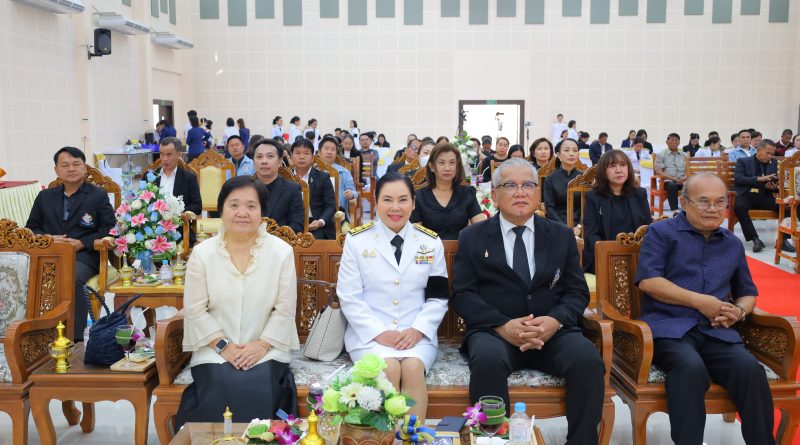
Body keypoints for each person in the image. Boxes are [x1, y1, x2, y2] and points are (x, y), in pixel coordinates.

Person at [452, 158, 604, 442]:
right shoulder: (472, 237)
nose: (520, 192)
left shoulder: (560, 235)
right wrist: (502, 325)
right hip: (495, 333)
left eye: (528, 185)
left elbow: (577, 291)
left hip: (552, 333)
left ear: (538, 193)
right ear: (494, 194)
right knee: (486, 361)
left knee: (587, 359)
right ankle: (493, 441)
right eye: (510, 185)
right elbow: (463, 294)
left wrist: (555, 321)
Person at [635, 173, 775, 445]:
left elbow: (747, 293)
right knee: (690, 368)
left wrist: (739, 312)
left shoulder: (732, 243)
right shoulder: (662, 233)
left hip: (717, 331)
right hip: (670, 328)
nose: (713, 208)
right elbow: (649, 281)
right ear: (684, 203)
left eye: (720, 202)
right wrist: (700, 301)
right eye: (704, 201)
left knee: (749, 370)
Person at [176, 176, 299, 428]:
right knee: (220, 383)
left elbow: (285, 309)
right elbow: (195, 310)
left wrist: (261, 345)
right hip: (213, 347)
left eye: (251, 206)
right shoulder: (202, 253)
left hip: (268, 347)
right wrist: (224, 346)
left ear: (262, 212)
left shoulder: (281, 252)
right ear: (221, 210)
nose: (242, 213)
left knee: (260, 384)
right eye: (234, 205)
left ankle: (263, 439)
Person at [337, 173, 449, 419]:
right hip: (369, 335)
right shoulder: (357, 241)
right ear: (376, 202)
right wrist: (378, 332)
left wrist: (418, 330)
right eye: (387, 200)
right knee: (388, 367)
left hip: (416, 335)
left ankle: (412, 434)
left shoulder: (430, 242)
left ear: (413, 203)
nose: (395, 207)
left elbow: (438, 297)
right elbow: (349, 296)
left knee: (412, 367)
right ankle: (386, 436)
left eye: (403, 200)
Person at [26, 147, 115, 340]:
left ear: (85, 168)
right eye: (65, 165)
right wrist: (49, 238)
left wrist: (82, 243)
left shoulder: (98, 195)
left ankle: (74, 338)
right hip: (49, 253)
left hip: (84, 256)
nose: (71, 169)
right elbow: (31, 228)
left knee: (71, 276)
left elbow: (109, 228)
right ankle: (35, 333)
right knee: (27, 275)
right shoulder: (45, 196)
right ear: (56, 170)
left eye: (76, 164)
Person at [582, 150, 651, 273]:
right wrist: (610, 256)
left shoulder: (639, 194)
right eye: (612, 166)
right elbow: (591, 235)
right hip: (605, 258)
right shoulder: (593, 197)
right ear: (603, 171)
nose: (619, 170)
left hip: (637, 257)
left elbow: (648, 229)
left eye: (623, 165)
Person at [411, 143, 486, 240]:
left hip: (461, 248)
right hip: (428, 248)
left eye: (452, 163)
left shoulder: (467, 193)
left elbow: (482, 227)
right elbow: (415, 234)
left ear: (457, 166)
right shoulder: (419, 197)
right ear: (432, 166)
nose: (447, 168)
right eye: (441, 163)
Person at [734, 139, 795, 253]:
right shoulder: (743, 161)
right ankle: (755, 239)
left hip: (763, 195)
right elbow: (738, 179)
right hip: (746, 194)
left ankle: (782, 241)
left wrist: (773, 187)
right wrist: (759, 179)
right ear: (758, 150)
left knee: (787, 207)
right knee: (739, 207)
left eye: (772, 154)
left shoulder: (773, 162)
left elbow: (774, 182)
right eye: (768, 153)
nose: (770, 156)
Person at [154, 138, 202, 245]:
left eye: (169, 154)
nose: (164, 159)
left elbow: (197, 206)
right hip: (152, 230)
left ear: (178, 155)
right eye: (161, 154)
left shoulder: (189, 178)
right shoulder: (151, 176)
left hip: (179, 230)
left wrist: (177, 212)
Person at [252, 139, 305, 233]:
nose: (264, 161)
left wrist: (272, 237)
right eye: (259, 157)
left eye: (270, 156)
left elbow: (297, 225)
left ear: (280, 161)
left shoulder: (292, 189)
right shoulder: (245, 188)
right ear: (253, 161)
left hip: (279, 240)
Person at [291, 138, 336, 239]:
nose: (301, 157)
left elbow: (330, 206)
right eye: (297, 153)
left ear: (312, 157)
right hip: (290, 225)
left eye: (306, 153)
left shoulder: (323, 177)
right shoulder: (285, 177)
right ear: (291, 156)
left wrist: (321, 221)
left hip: (315, 224)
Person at [542, 138, 582, 232]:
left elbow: (588, 206)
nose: (571, 154)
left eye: (575, 150)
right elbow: (549, 208)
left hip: (581, 226)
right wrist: (564, 227)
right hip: (557, 225)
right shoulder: (550, 179)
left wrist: (579, 226)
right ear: (558, 155)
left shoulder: (584, 178)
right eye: (567, 150)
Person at [318, 137, 358, 221]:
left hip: (338, 214)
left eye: (333, 150)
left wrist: (351, 194)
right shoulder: (312, 171)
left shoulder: (344, 172)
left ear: (336, 153)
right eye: (326, 148)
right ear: (319, 152)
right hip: (316, 213)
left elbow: (355, 192)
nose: (329, 152)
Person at [654, 133, 686, 212]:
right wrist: (673, 179)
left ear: (679, 142)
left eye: (676, 140)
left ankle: (689, 210)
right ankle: (675, 211)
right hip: (667, 182)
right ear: (667, 142)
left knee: (694, 184)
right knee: (672, 185)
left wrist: (684, 178)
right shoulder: (661, 155)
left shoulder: (684, 155)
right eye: (672, 140)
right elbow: (658, 171)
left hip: (682, 181)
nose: (674, 142)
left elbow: (688, 170)